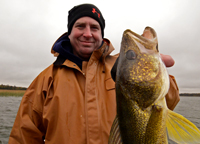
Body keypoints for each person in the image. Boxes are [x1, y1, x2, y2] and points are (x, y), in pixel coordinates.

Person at [9, 3, 180, 144]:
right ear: (70, 33)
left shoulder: (120, 66)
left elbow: (169, 101)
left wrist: (160, 72)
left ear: (101, 34)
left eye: (94, 28)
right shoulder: (45, 80)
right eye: (80, 26)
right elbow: (23, 137)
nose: (88, 33)